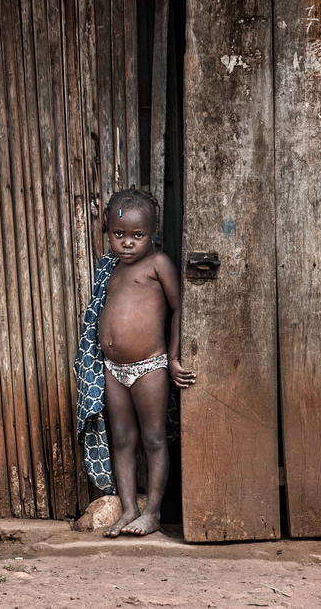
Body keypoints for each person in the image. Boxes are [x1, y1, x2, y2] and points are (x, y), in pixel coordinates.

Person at [97, 188, 194, 537]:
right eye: (118, 234)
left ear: (152, 235)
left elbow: (180, 307)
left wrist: (173, 356)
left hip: (148, 366)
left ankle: (152, 513)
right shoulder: (111, 269)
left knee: (153, 439)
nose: (127, 243)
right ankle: (128, 509)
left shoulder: (158, 264)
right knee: (122, 438)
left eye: (137, 236)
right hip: (114, 369)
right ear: (107, 231)